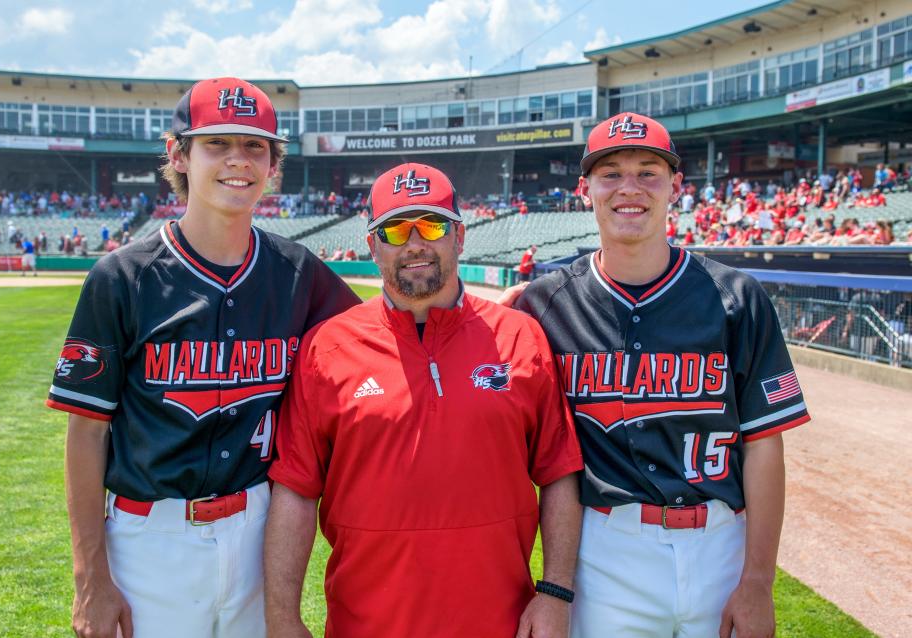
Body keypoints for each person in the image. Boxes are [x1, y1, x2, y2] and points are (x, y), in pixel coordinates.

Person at [46, 76, 359, 638]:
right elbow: (86, 434)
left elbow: (377, 336)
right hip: (149, 539)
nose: (238, 160)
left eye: (254, 145)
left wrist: (498, 311)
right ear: (179, 155)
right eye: (217, 143)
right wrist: (90, 577)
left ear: (273, 165)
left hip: (260, 532)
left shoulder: (299, 272)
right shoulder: (121, 277)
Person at [516, 112, 810, 638]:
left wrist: (759, 581)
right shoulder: (544, 305)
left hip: (722, 543)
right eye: (611, 173)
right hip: (606, 548)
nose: (630, 188)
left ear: (676, 186)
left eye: (648, 171)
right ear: (586, 190)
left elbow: (765, 444)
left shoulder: (736, 298)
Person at [265, 162, 584, 638]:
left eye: (431, 225)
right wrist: (283, 618)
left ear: (459, 235)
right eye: (395, 230)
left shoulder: (520, 337)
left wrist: (555, 594)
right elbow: (295, 490)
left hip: (499, 622)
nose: (414, 243)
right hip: (365, 625)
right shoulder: (327, 348)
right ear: (372, 246)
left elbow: (559, 473)